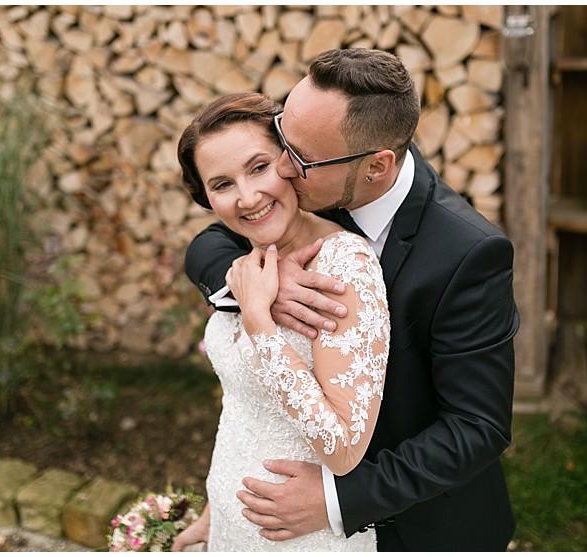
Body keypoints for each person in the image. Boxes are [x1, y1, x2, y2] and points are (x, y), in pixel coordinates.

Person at [183, 48, 518, 551]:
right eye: (281, 136)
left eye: (295, 158)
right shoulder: (313, 177)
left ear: (376, 168)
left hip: (420, 524)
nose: (280, 169)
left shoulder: (468, 254)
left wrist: (338, 499)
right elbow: (209, 242)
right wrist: (254, 285)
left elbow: (478, 428)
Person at [170, 92, 390, 551]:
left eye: (258, 167)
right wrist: (214, 512)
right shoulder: (249, 261)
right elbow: (244, 407)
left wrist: (260, 326)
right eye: (222, 184)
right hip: (233, 524)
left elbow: (344, 448)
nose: (248, 198)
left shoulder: (343, 265)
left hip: (300, 535)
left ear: (291, 162)